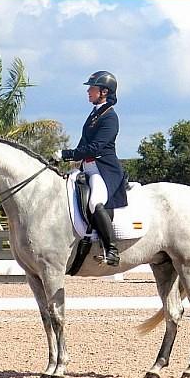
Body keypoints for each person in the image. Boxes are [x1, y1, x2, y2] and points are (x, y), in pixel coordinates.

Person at [53, 71, 126, 266]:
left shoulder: (110, 117)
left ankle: (112, 250)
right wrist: (67, 161)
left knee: (95, 203)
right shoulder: (95, 114)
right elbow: (83, 144)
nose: (88, 91)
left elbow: (96, 147)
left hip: (103, 170)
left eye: (92, 88)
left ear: (104, 91)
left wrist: (67, 154)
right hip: (87, 168)